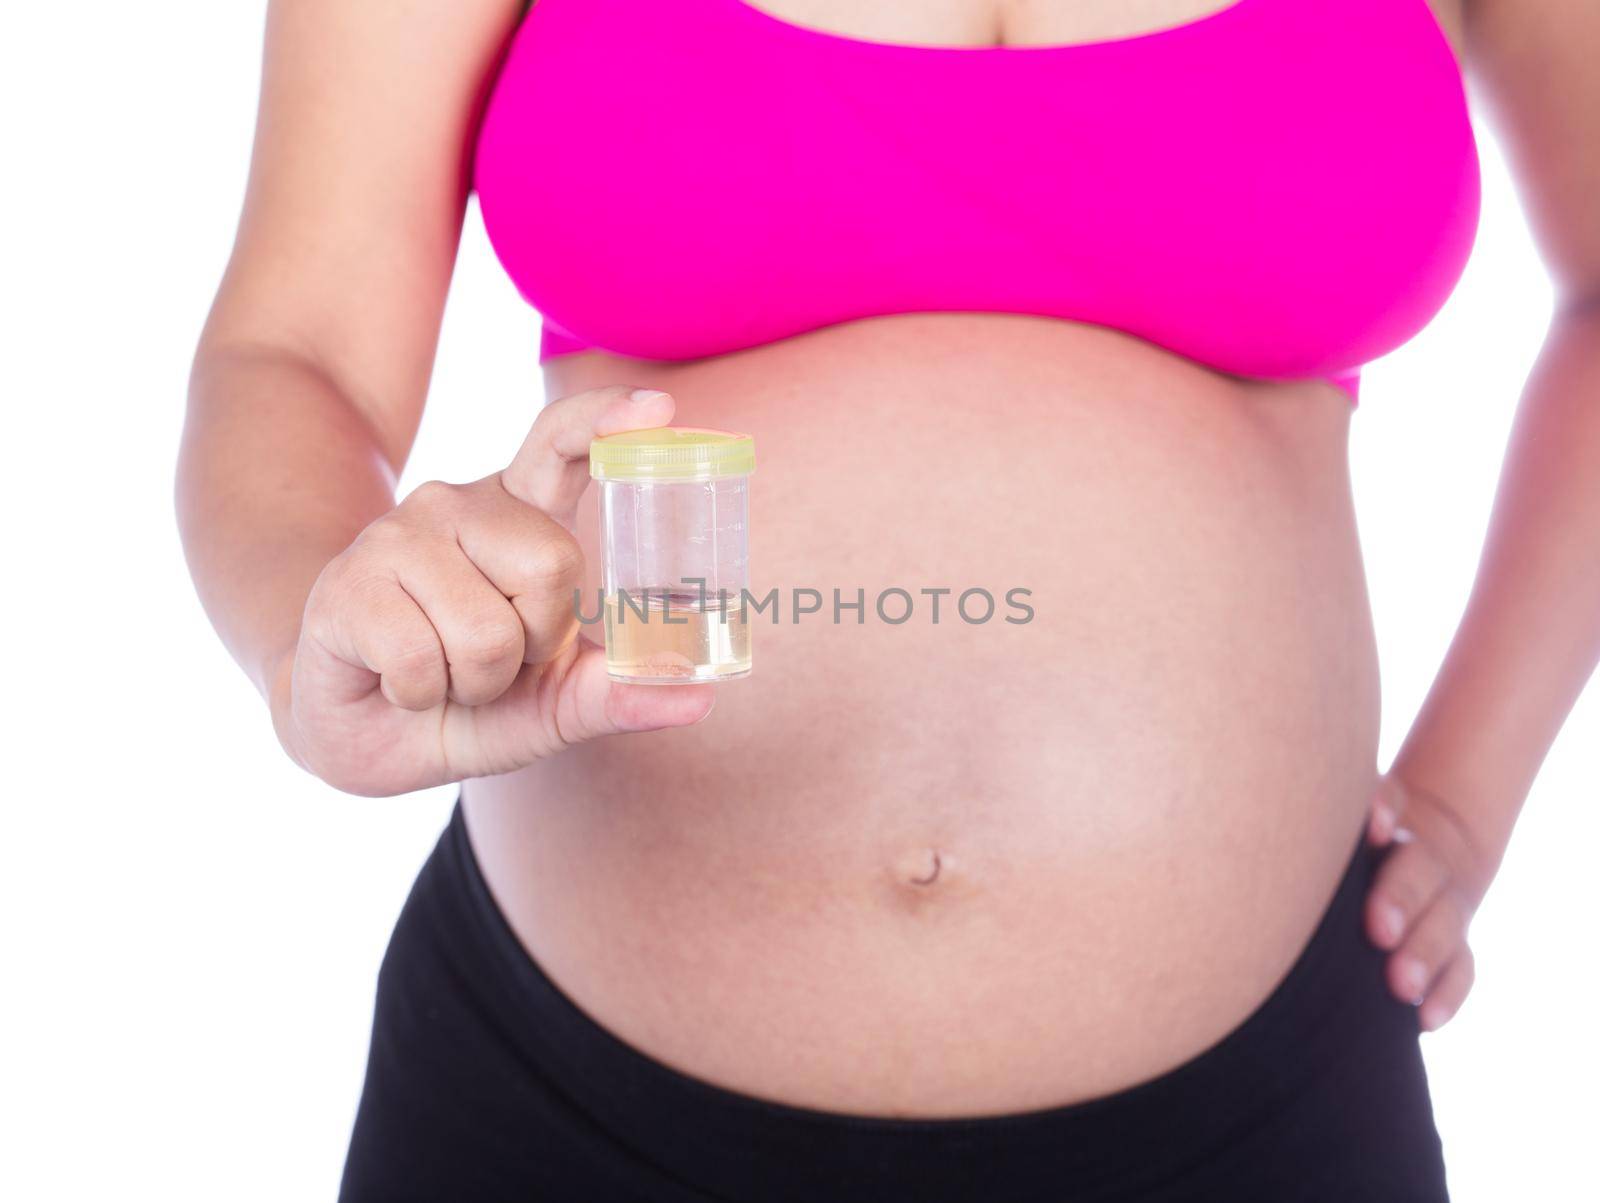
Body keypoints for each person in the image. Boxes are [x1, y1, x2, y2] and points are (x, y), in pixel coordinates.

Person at [177, 0, 1600, 1198]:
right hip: (557, 1097)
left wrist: (1467, 798)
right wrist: (316, 616)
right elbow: (294, 349)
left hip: (1267, 1102)